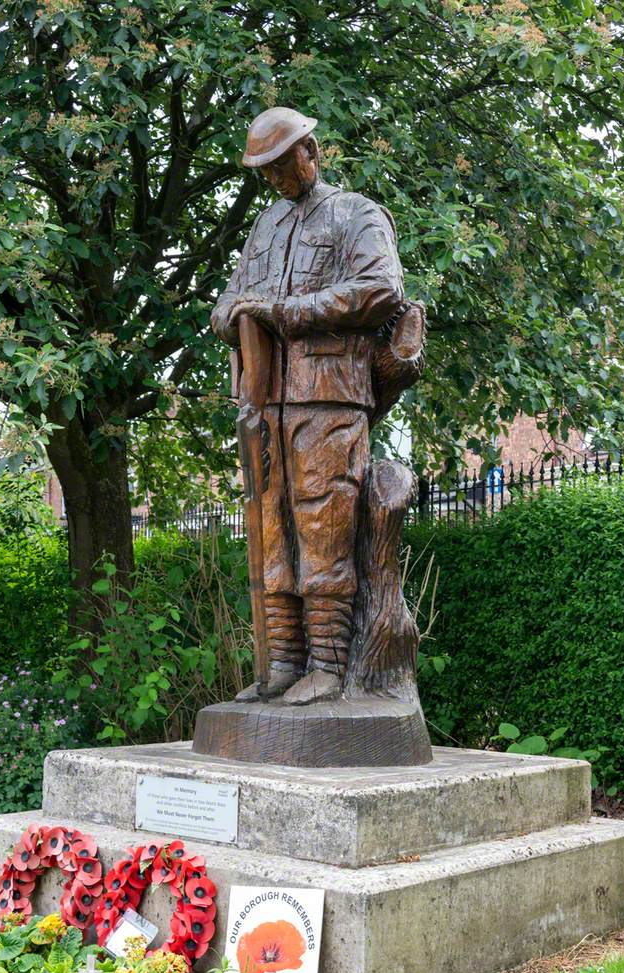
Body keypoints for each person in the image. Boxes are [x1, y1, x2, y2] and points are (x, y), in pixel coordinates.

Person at [211, 107, 405, 704]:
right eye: (261, 172)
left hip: (328, 397)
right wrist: (228, 313)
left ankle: (327, 666)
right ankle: (282, 665)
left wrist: (288, 312)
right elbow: (234, 295)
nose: (271, 180)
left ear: (310, 151)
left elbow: (380, 289)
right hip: (264, 401)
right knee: (272, 532)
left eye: (278, 166)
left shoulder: (357, 214)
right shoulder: (265, 226)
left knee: (323, 527)